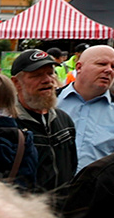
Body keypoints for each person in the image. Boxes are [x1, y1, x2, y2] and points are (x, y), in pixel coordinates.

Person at [12, 48, 79, 193]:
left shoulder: (63, 120)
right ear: (16, 82)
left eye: (50, 73)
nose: (48, 80)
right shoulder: (6, 125)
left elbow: (71, 166)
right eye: (37, 75)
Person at [58, 43, 114, 171]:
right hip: (47, 189)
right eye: (101, 64)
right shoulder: (51, 102)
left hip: (97, 189)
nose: (109, 70)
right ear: (79, 67)